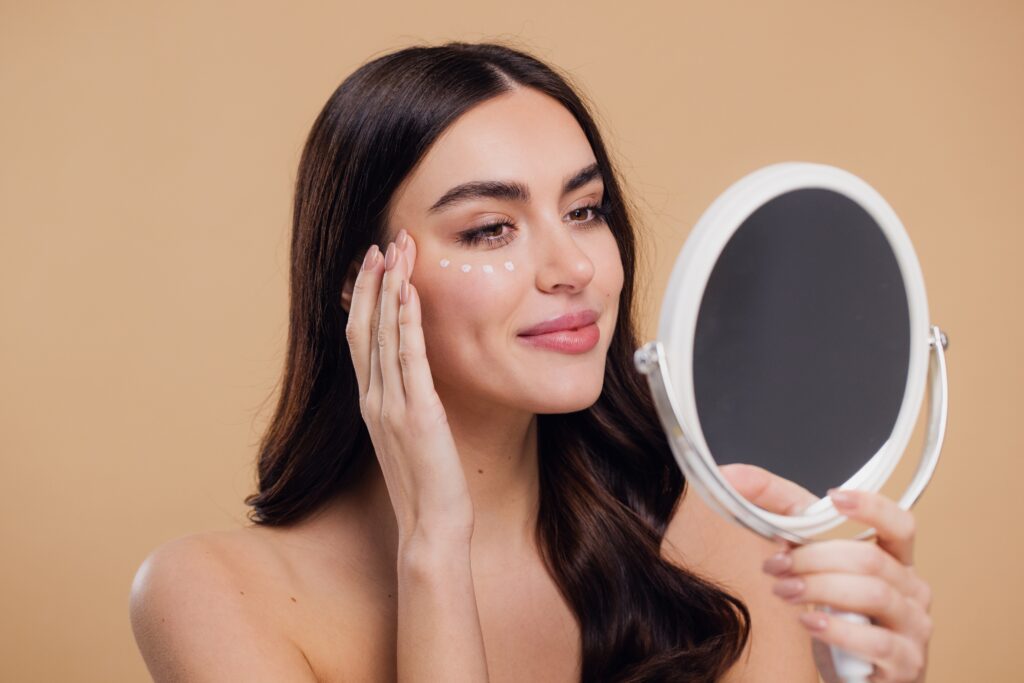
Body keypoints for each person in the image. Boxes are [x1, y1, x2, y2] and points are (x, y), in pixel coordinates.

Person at [129, 41, 933, 682]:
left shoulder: (722, 533)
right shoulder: (212, 595)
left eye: (585, 211)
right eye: (489, 228)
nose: (572, 266)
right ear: (361, 280)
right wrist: (434, 544)